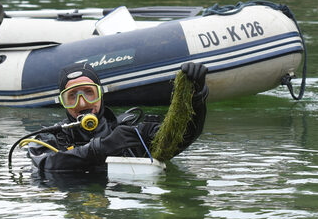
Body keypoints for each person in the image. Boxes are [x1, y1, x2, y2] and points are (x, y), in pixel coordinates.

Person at [27, 62, 209, 173]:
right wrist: (101, 148)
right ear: (63, 102)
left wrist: (196, 98)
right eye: (72, 96)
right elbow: (44, 166)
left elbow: (181, 137)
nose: (81, 103)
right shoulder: (48, 139)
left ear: (101, 95)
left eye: (89, 93)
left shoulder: (132, 132)